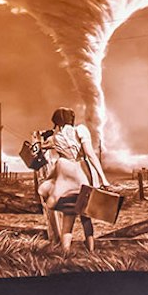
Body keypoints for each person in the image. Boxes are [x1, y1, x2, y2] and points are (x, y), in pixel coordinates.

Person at [44, 107, 105, 251]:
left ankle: (66, 254)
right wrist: (103, 178)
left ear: (57, 122)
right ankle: (91, 251)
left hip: (66, 182)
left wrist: (45, 136)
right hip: (83, 177)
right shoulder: (80, 131)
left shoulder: (54, 138)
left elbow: (40, 148)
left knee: (68, 218)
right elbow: (90, 155)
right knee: (86, 216)